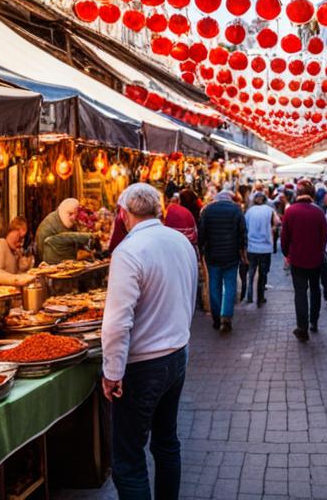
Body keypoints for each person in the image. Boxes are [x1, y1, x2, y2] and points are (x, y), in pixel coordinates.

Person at [102, 184, 198, 500]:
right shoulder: (181, 242)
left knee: (128, 461)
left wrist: (112, 372)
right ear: (158, 210)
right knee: (166, 441)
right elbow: (190, 294)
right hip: (177, 355)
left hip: (143, 366)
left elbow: (117, 322)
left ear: (123, 214)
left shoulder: (128, 252)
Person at [281, 180, 327, 342]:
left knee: (300, 292)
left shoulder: (290, 212)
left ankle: (302, 327)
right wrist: (319, 251)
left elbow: (284, 237)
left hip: (297, 259)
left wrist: (287, 254)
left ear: (298, 194)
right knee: (315, 289)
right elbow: (324, 237)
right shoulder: (319, 212)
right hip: (315, 258)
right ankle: (313, 321)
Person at [197, 190, 246, 332]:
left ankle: (216, 318)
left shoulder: (208, 210)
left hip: (213, 255)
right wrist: (242, 251)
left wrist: (201, 252)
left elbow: (202, 233)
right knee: (230, 286)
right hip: (231, 255)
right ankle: (227, 317)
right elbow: (243, 232)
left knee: (214, 285)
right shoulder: (236, 210)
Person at [244, 192, 277, 305]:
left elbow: (245, 227)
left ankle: (249, 296)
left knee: (251, 272)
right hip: (265, 247)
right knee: (263, 274)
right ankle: (260, 297)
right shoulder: (269, 210)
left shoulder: (249, 211)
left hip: (252, 246)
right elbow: (275, 224)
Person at [36, 198, 91, 264]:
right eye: (70, 214)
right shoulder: (52, 225)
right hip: (52, 263)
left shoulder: (68, 221)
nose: (73, 217)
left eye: (75, 213)